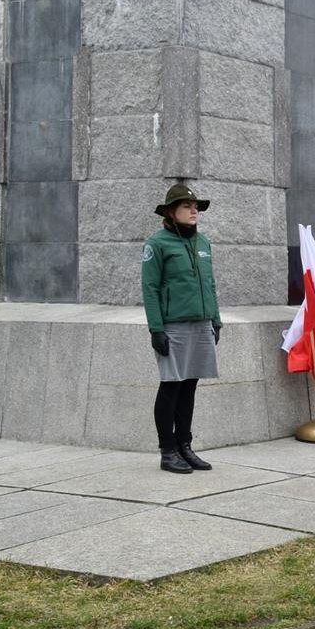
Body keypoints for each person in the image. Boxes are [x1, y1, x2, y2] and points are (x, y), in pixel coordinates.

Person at [141, 183, 223, 474]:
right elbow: (149, 289)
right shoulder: (157, 243)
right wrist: (156, 329)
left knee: (190, 386)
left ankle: (185, 446)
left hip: (200, 324)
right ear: (171, 212)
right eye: (187, 207)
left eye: (196, 207)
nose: (194, 211)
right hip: (172, 326)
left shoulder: (203, 243)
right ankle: (167, 451)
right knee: (171, 387)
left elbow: (210, 285)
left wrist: (215, 320)